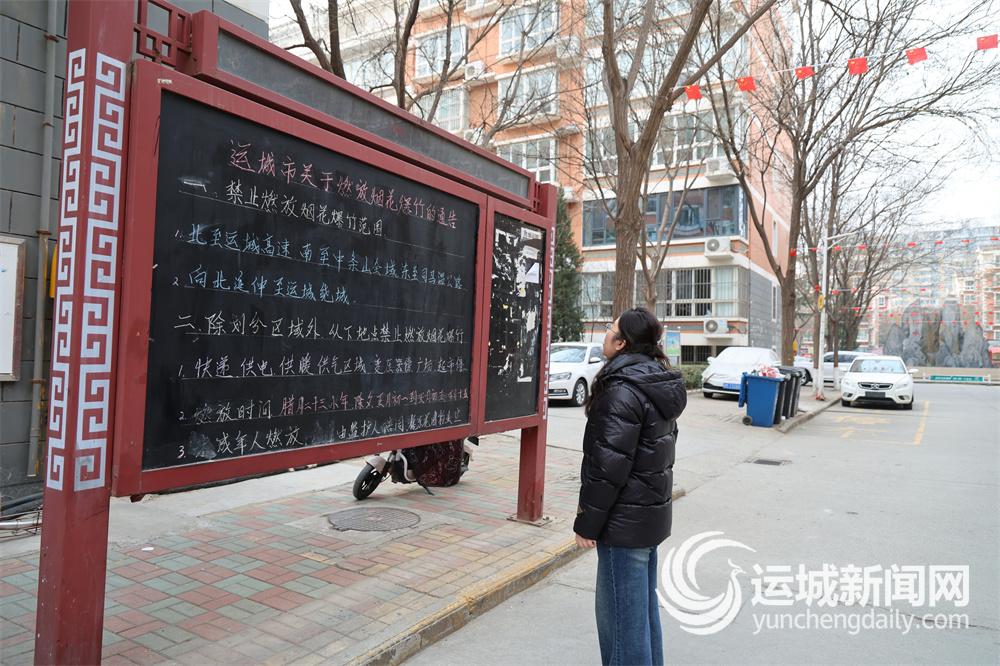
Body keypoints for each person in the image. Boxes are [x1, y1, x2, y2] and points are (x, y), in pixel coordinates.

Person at [574, 307, 688, 666]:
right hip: (647, 519)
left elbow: (608, 467)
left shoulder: (622, 390)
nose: (606, 335)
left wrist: (587, 523)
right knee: (641, 617)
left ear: (622, 343)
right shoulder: (655, 382)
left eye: (611, 329)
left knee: (623, 627)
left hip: (623, 524)